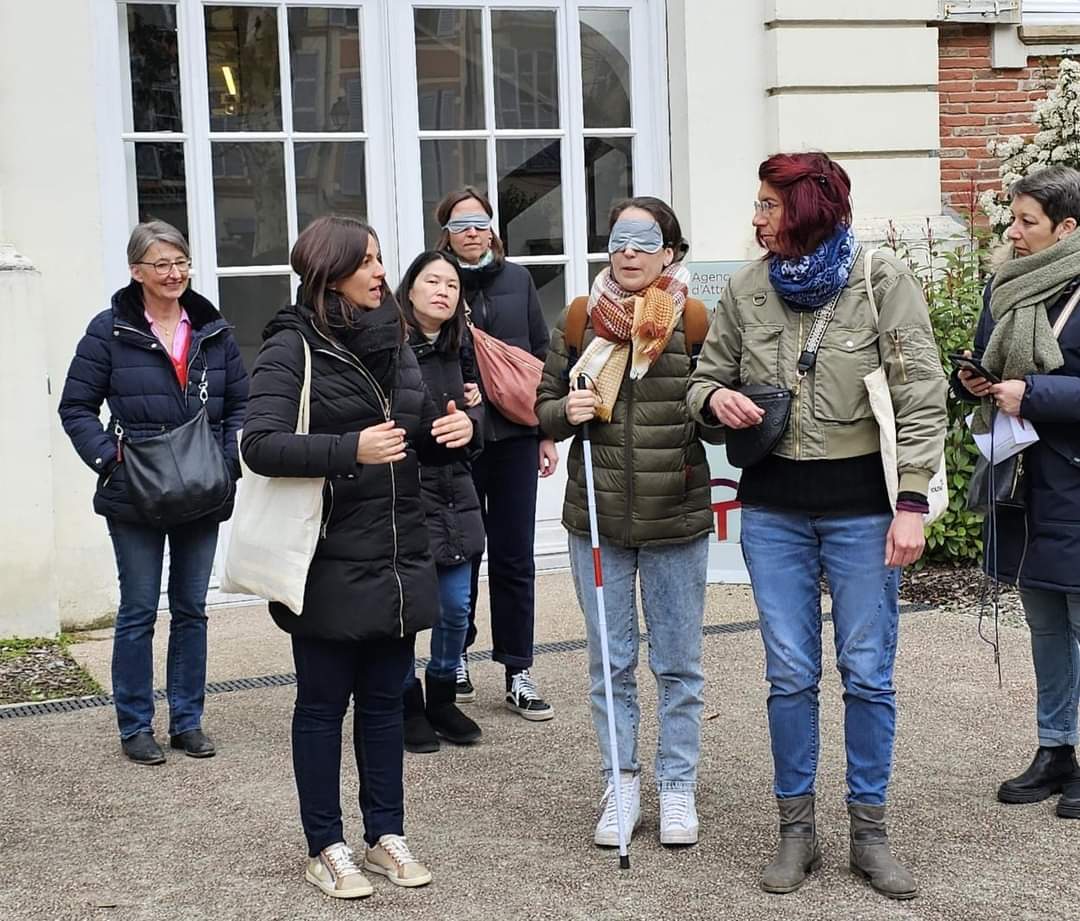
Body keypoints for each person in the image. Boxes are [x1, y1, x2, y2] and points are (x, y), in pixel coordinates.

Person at [687, 153, 946, 900]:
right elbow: (706, 381)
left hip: (866, 511)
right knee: (789, 673)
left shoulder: (881, 281)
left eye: (769, 204)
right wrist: (716, 403)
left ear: (805, 209)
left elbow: (921, 393)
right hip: (774, 513)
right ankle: (794, 831)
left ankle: (870, 833)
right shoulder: (745, 287)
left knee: (867, 672)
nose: (758, 217)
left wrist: (911, 503)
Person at [241, 216, 474, 899]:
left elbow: (409, 435)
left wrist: (454, 433)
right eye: (368, 261)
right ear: (330, 271)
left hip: (398, 555)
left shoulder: (395, 341)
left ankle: (384, 835)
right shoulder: (292, 347)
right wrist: (349, 449)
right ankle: (326, 845)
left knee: (381, 704)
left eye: (380, 259)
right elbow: (259, 444)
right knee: (320, 706)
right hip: (326, 560)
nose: (381, 272)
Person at [535, 196, 716, 847]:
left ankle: (675, 786)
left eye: (644, 241)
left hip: (678, 515)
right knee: (609, 663)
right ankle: (622, 782)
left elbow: (714, 404)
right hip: (598, 519)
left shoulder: (692, 320)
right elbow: (545, 405)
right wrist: (566, 414)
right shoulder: (582, 318)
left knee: (678, 663)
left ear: (669, 251)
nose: (629, 253)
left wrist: (722, 409)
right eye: (619, 241)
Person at [58, 220, 248, 765]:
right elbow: (76, 407)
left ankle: (188, 722)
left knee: (191, 608)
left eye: (181, 262)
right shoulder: (108, 330)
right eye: (161, 264)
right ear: (136, 271)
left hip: (202, 490)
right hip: (135, 493)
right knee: (139, 610)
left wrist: (228, 460)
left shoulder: (213, 329)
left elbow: (241, 402)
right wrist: (109, 460)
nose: (173, 273)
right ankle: (135, 726)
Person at [954, 165, 1080, 821]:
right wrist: (973, 379)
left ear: (1067, 227)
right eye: (1014, 217)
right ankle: (1056, 749)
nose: (1015, 231)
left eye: (1028, 221)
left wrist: (1032, 393)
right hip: (1023, 482)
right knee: (1045, 625)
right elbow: (986, 358)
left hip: (1072, 479)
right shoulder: (1006, 286)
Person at [436, 186, 558, 720]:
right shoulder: (434, 280)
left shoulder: (518, 279)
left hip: (514, 437)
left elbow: (539, 357)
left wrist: (547, 431)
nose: (472, 231)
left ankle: (517, 668)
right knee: (462, 550)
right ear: (446, 232)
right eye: (461, 223)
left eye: (480, 221)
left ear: (493, 228)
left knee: (514, 556)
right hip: (460, 436)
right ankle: (456, 655)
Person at [395, 250, 486, 753]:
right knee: (410, 608)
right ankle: (406, 702)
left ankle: (443, 695)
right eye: (433, 282)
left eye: (452, 285)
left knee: (456, 607)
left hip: (456, 494)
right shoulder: (389, 346)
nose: (443, 292)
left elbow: (484, 420)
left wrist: (471, 424)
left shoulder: (462, 347)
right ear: (409, 291)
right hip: (408, 493)